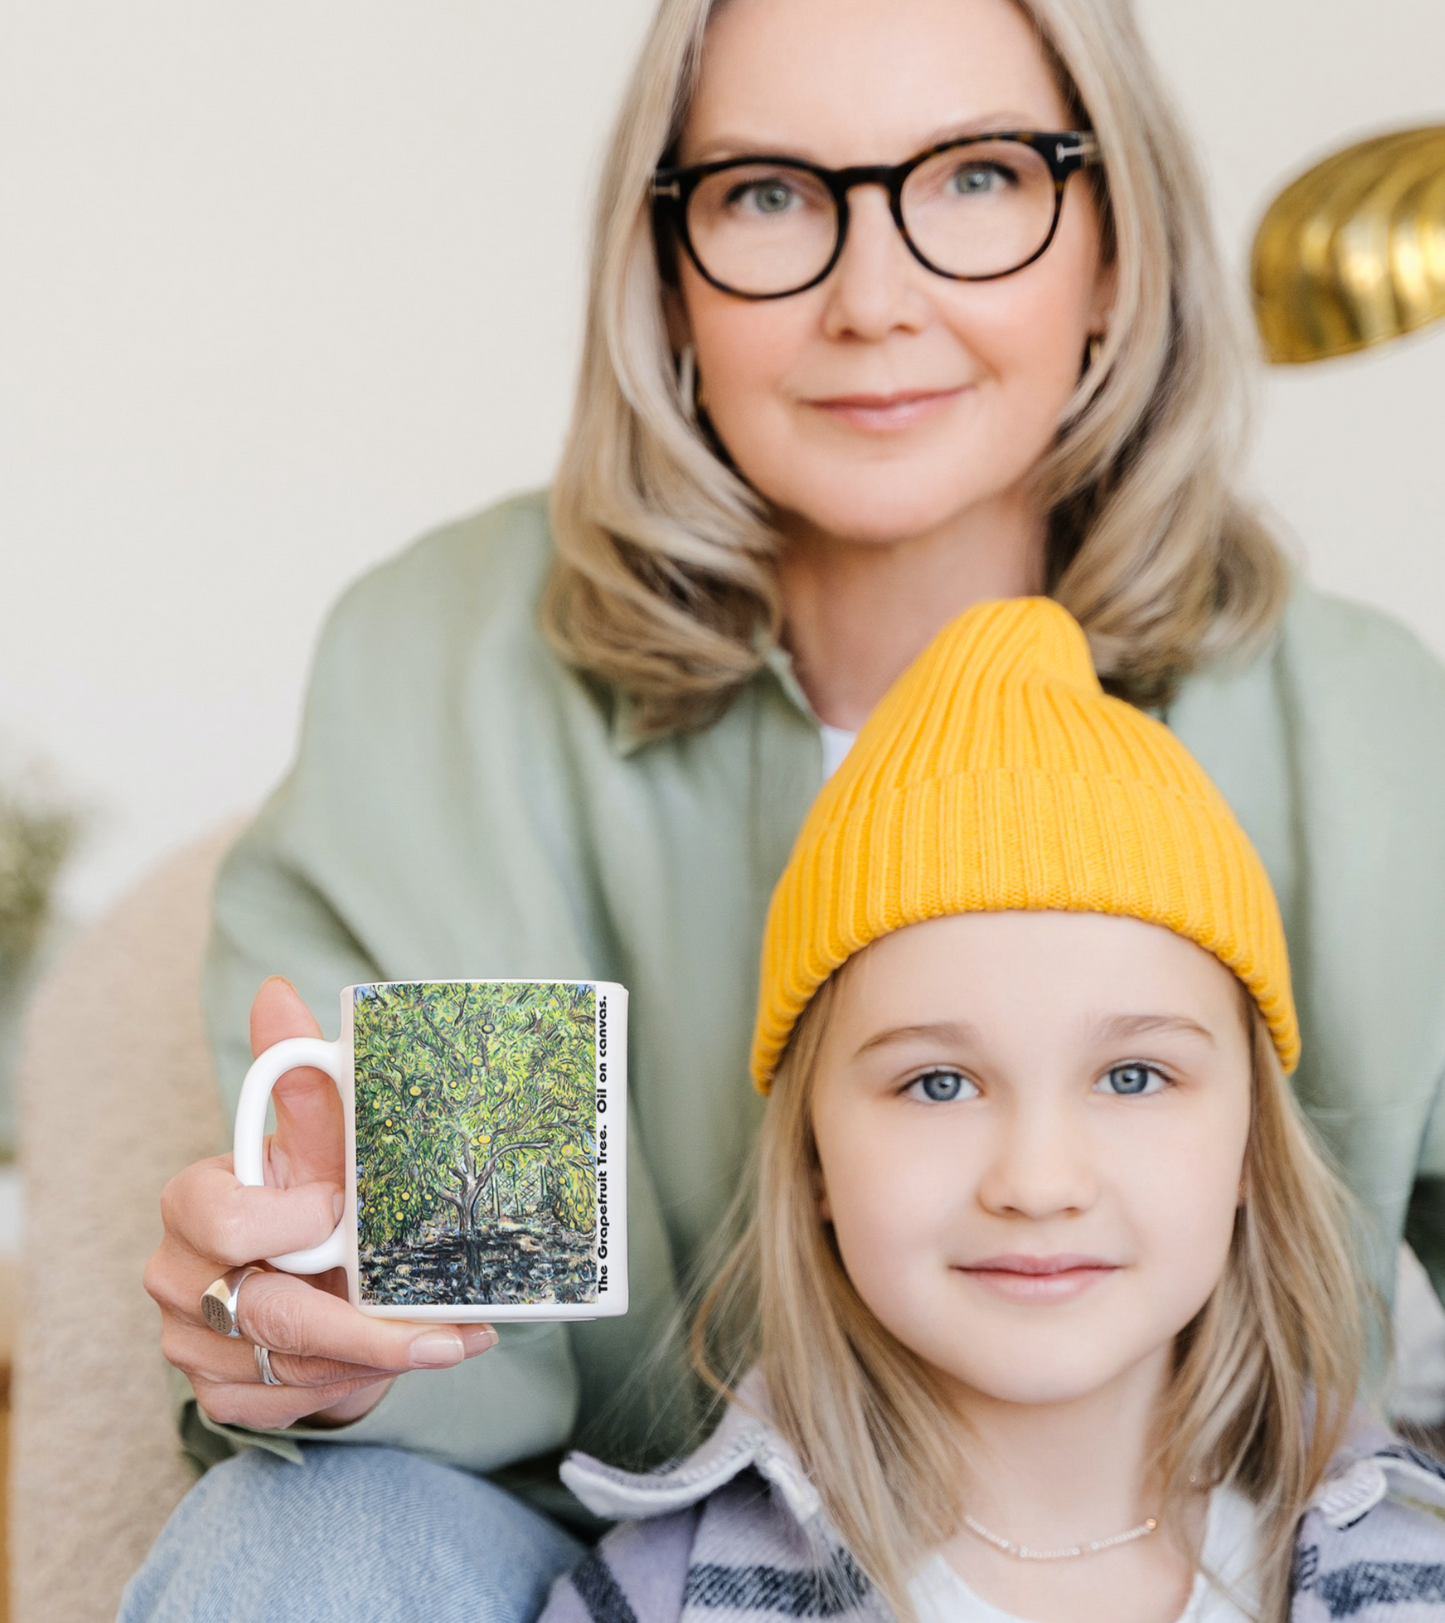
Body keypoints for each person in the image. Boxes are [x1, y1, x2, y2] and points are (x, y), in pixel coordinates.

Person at [128, 0, 1445, 1615]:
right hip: (601, 1555)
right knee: (299, 1548)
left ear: (1115, 249)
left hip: (1190, 1548)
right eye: (767, 193)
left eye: (977, 179)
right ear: (667, 266)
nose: (872, 300)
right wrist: (332, 1335)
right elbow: (480, 1361)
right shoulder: (464, 680)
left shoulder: (1366, 725)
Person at [541, 597, 1445, 1623]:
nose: (1037, 1182)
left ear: (1248, 1148)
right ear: (811, 1160)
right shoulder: (659, 1597)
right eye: (937, 1083)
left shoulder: (1409, 1568)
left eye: (1133, 1077)